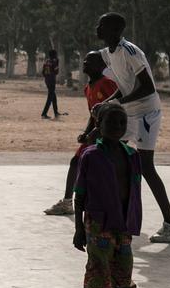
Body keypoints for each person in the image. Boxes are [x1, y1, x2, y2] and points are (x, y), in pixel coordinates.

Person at [94, 12, 170, 243]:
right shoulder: (110, 53)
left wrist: (116, 102)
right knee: (110, 157)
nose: (97, 28)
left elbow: (147, 88)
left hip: (146, 113)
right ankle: (116, 213)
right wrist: (108, 102)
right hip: (129, 113)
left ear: (114, 30)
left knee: (146, 167)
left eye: (102, 25)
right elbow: (125, 87)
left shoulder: (129, 51)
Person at [72, 101, 142, 288]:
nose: (117, 127)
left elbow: (134, 191)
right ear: (99, 126)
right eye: (111, 122)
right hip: (98, 225)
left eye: (122, 122)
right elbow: (79, 193)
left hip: (123, 225)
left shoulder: (132, 155)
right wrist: (79, 228)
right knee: (99, 275)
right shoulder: (91, 155)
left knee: (124, 275)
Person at [45, 51, 118, 215]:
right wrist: (86, 133)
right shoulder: (87, 88)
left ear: (102, 66)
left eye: (90, 61)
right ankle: (67, 202)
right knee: (75, 162)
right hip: (94, 134)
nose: (85, 62)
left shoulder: (107, 84)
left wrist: (98, 132)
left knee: (103, 171)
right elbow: (93, 115)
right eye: (85, 60)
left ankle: (108, 205)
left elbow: (115, 112)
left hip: (109, 136)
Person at [40, 49, 64, 118]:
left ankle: (56, 112)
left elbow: (43, 72)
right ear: (54, 55)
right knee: (50, 97)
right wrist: (57, 64)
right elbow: (56, 72)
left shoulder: (46, 61)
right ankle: (44, 114)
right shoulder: (54, 62)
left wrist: (47, 77)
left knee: (53, 96)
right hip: (52, 81)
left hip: (47, 80)